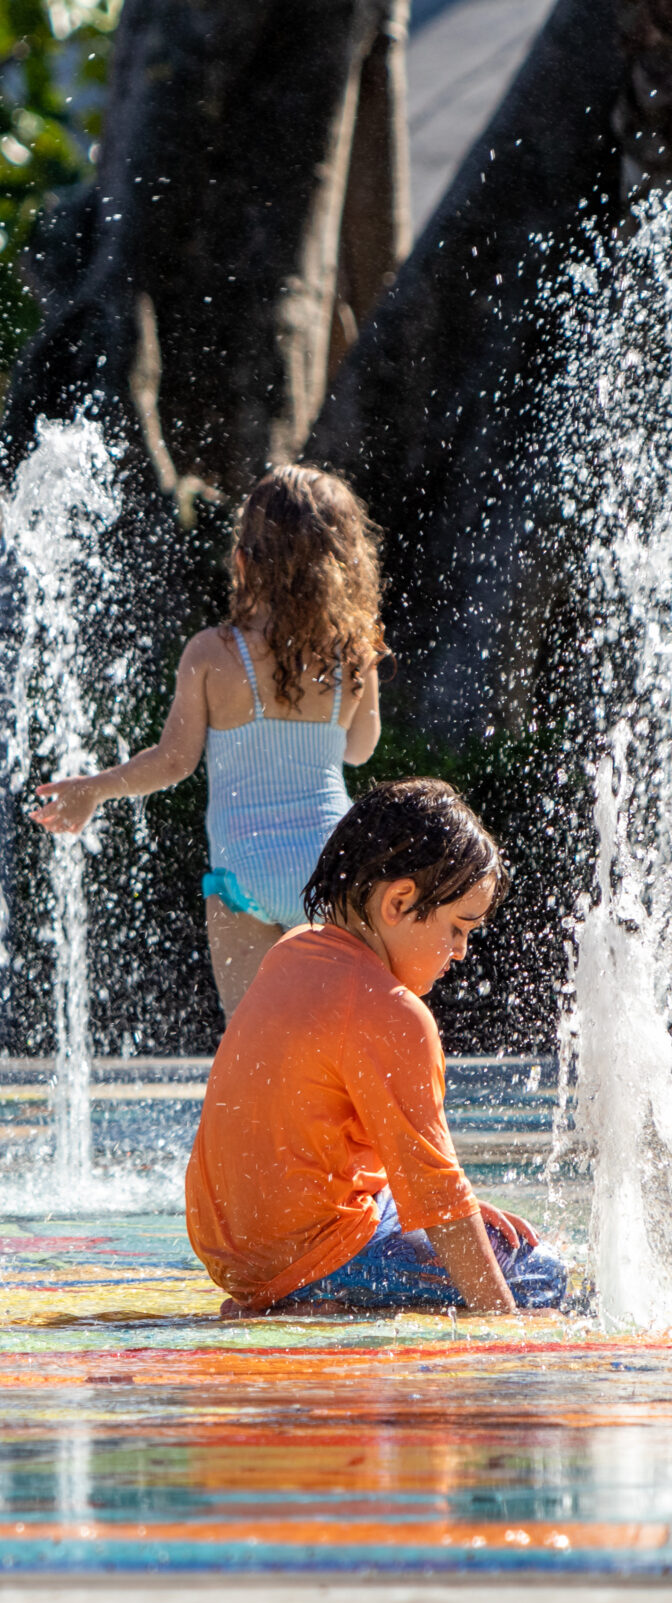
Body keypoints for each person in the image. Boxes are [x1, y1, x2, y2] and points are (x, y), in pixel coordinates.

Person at [187, 779, 567, 1317]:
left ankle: (299, 1293)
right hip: (314, 1257)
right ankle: (321, 1303)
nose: (460, 952)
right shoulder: (392, 1013)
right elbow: (439, 1199)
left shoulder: (293, 949)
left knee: (486, 1230)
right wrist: (502, 1327)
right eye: (458, 928)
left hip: (234, 1249)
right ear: (399, 901)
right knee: (539, 1273)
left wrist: (465, 1219)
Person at [31, 466, 386, 1015]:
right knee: (333, 1049)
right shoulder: (354, 653)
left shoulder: (214, 653)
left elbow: (174, 761)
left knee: (255, 1057)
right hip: (331, 868)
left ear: (244, 561)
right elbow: (360, 749)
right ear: (343, 567)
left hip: (244, 871)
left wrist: (96, 788)